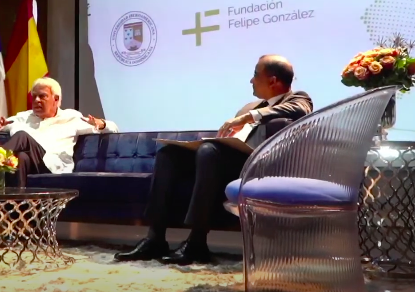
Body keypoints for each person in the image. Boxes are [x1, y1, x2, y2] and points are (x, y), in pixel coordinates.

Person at [114, 55, 312, 264]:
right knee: (169, 155)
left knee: (209, 151)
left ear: (272, 81)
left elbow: (300, 110)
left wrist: (249, 117)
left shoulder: (298, 98)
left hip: (257, 167)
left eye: (255, 74)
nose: (251, 80)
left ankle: (196, 243)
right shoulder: (250, 106)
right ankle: (155, 238)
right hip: (222, 162)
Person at [0, 77, 119, 186]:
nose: (36, 100)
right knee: (21, 157)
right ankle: (19, 207)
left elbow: (114, 128)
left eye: (42, 96)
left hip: (54, 167)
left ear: (56, 99)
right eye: (34, 96)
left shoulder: (71, 117)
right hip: (31, 166)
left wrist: (101, 124)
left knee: (22, 136)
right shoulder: (22, 117)